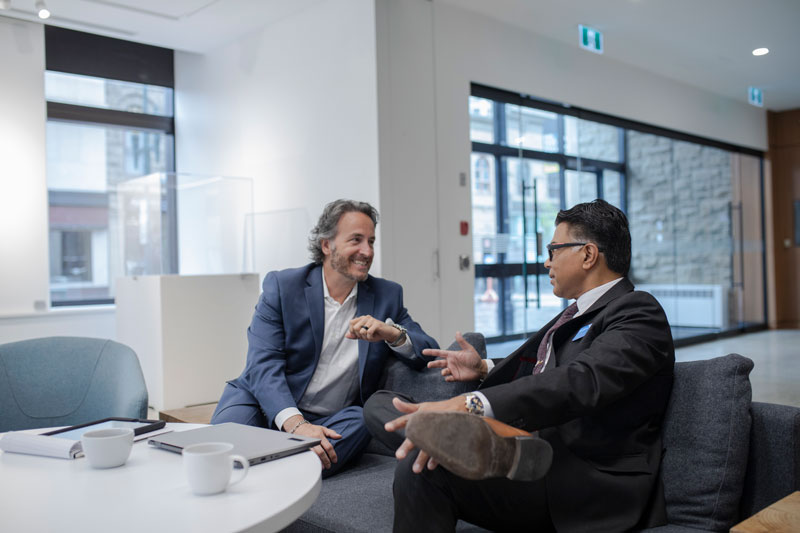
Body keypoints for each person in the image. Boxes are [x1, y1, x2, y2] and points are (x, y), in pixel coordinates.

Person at [364, 199, 675, 532]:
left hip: (576, 477)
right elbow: (548, 370)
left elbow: (580, 379)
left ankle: (484, 446)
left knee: (421, 464)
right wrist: (483, 367)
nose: (546, 262)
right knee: (378, 404)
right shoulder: (575, 315)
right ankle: (477, 444)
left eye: (554, 250)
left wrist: (471, 404)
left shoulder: (639, 312)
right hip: (527, 443)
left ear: (588, 254)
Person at [212, 199, 438, 477]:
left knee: (361, 418)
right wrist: (296, 425)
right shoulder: (283, 287)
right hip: (261, 402)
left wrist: (392, 333)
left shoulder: (387, 296)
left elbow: (428, 351)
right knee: (217, 452)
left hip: (330, 418)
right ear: (326, 245)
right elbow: (263, 365)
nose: (366, 251)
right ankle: (287, 466)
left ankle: (276, 472)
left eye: (371, 241)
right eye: (356, 240)